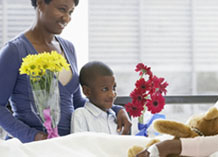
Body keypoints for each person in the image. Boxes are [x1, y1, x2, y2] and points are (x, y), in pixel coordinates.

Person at [0, 0, 131, 143]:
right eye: (62, 9)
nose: (67, 18)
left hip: (68, 144)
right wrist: (33, 136)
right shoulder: (14, 50)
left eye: (70, 12)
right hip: (32, 147)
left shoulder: (68, 48)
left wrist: (116, 110)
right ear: (40, 3)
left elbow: (76, 102)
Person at [71, 61, 120, 134]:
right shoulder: (81, 115)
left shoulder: (114, 116)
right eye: (105, 89)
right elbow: (78, 143)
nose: (112, 94)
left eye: (113, 88)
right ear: (87, 91)